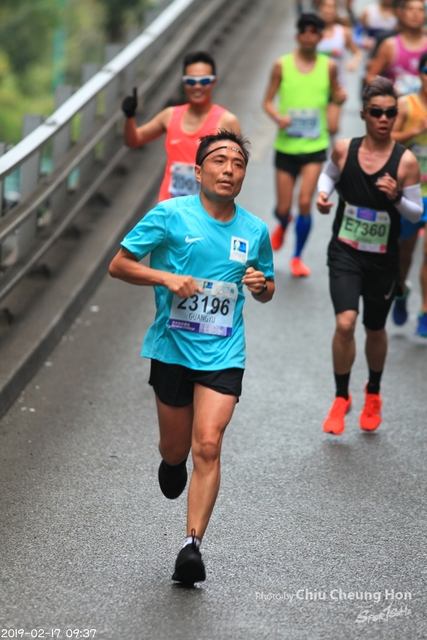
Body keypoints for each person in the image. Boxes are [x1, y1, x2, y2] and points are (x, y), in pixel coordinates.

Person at [109, 130, 275, 585]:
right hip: (172, 349)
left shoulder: (254, 231)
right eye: (219, 161)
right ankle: (171, 461)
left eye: (238, 163)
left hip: (224, 351)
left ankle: (191, 546)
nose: (229, 169)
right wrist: (165, 278)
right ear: (198, 172)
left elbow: (267, 287)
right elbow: (119, 265)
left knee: (208, 444)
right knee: (177, 449)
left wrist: (261, 286)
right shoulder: (169, 215)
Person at [316, 77, 422, 435]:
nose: (384, 118)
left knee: (374, 329)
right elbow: (328, 176)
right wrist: (323, 195)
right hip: (345, 252)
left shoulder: (405, 162)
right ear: (363, 114)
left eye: (390, 113)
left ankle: (373, 392)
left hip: (382, 260)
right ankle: (340, 397)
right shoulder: (344, 150)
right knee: (345, 323)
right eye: (377, 112)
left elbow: (415, 213)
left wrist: (396, 197)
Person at [263, 12, 346, 277]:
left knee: (305, 201)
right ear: (297, 35)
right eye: (304, 32)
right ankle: (283, 221)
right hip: (286, 146)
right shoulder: (281, 65)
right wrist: (278, 117)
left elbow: (336, 96)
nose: (309, 37)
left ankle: (297, 256)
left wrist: (340, 100)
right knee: (283, 207)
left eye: (314, 33)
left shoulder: (329, 66)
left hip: (314, 145)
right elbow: (267, 101)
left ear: (321, 37)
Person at [121, 51, 241, 202]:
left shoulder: (228, 122)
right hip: (169, 208)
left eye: (204, 81)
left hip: (206, 210)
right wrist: (129, 116)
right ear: (184, 83)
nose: (197, 86)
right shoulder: (169, 115)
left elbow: (235, 170)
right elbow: (133, 140)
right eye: (191, 81)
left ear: (213, 82)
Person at [391, 52, 427, 335]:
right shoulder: (406, 104)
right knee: (405, 254)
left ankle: (425, 310)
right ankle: (401, 291)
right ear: (420, 73)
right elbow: (387, 138)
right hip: (411, 192)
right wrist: (415, 130)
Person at [317, 0, 362, 136]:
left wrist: (353, 62)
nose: (328, 10)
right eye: (325, 6)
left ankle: (330, 146)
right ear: (319, 9)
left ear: (336, 10)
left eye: (331, 7)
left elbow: (357, 53)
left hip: (337, 86)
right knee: (318, 125)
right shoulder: (313, 32)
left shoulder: (343, 32)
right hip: (316, 84)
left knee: (332, 127)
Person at [365, 0, 427, 96]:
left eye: (420, 10)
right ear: (401, 14)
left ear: (425, 16)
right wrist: (388, 91)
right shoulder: (389, 45)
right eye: (410, 9)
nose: (415, 13)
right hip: (397, 103)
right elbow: (371, 76)